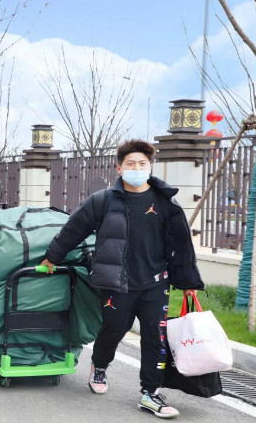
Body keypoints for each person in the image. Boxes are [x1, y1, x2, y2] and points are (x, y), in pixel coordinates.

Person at [41, 139, 204, 419]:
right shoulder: (103, 200)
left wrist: (189, 282)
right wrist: (52, 257)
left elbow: (181, 245)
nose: (136, 168)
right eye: (131, 164)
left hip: (156, 283)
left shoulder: (166, 202)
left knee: (155, 337)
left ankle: (150, 393)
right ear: (120, 168)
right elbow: (74, 229)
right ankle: (100, 366)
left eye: (142, 164)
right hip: (117, 283)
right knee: (114, 329)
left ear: (150, 167)